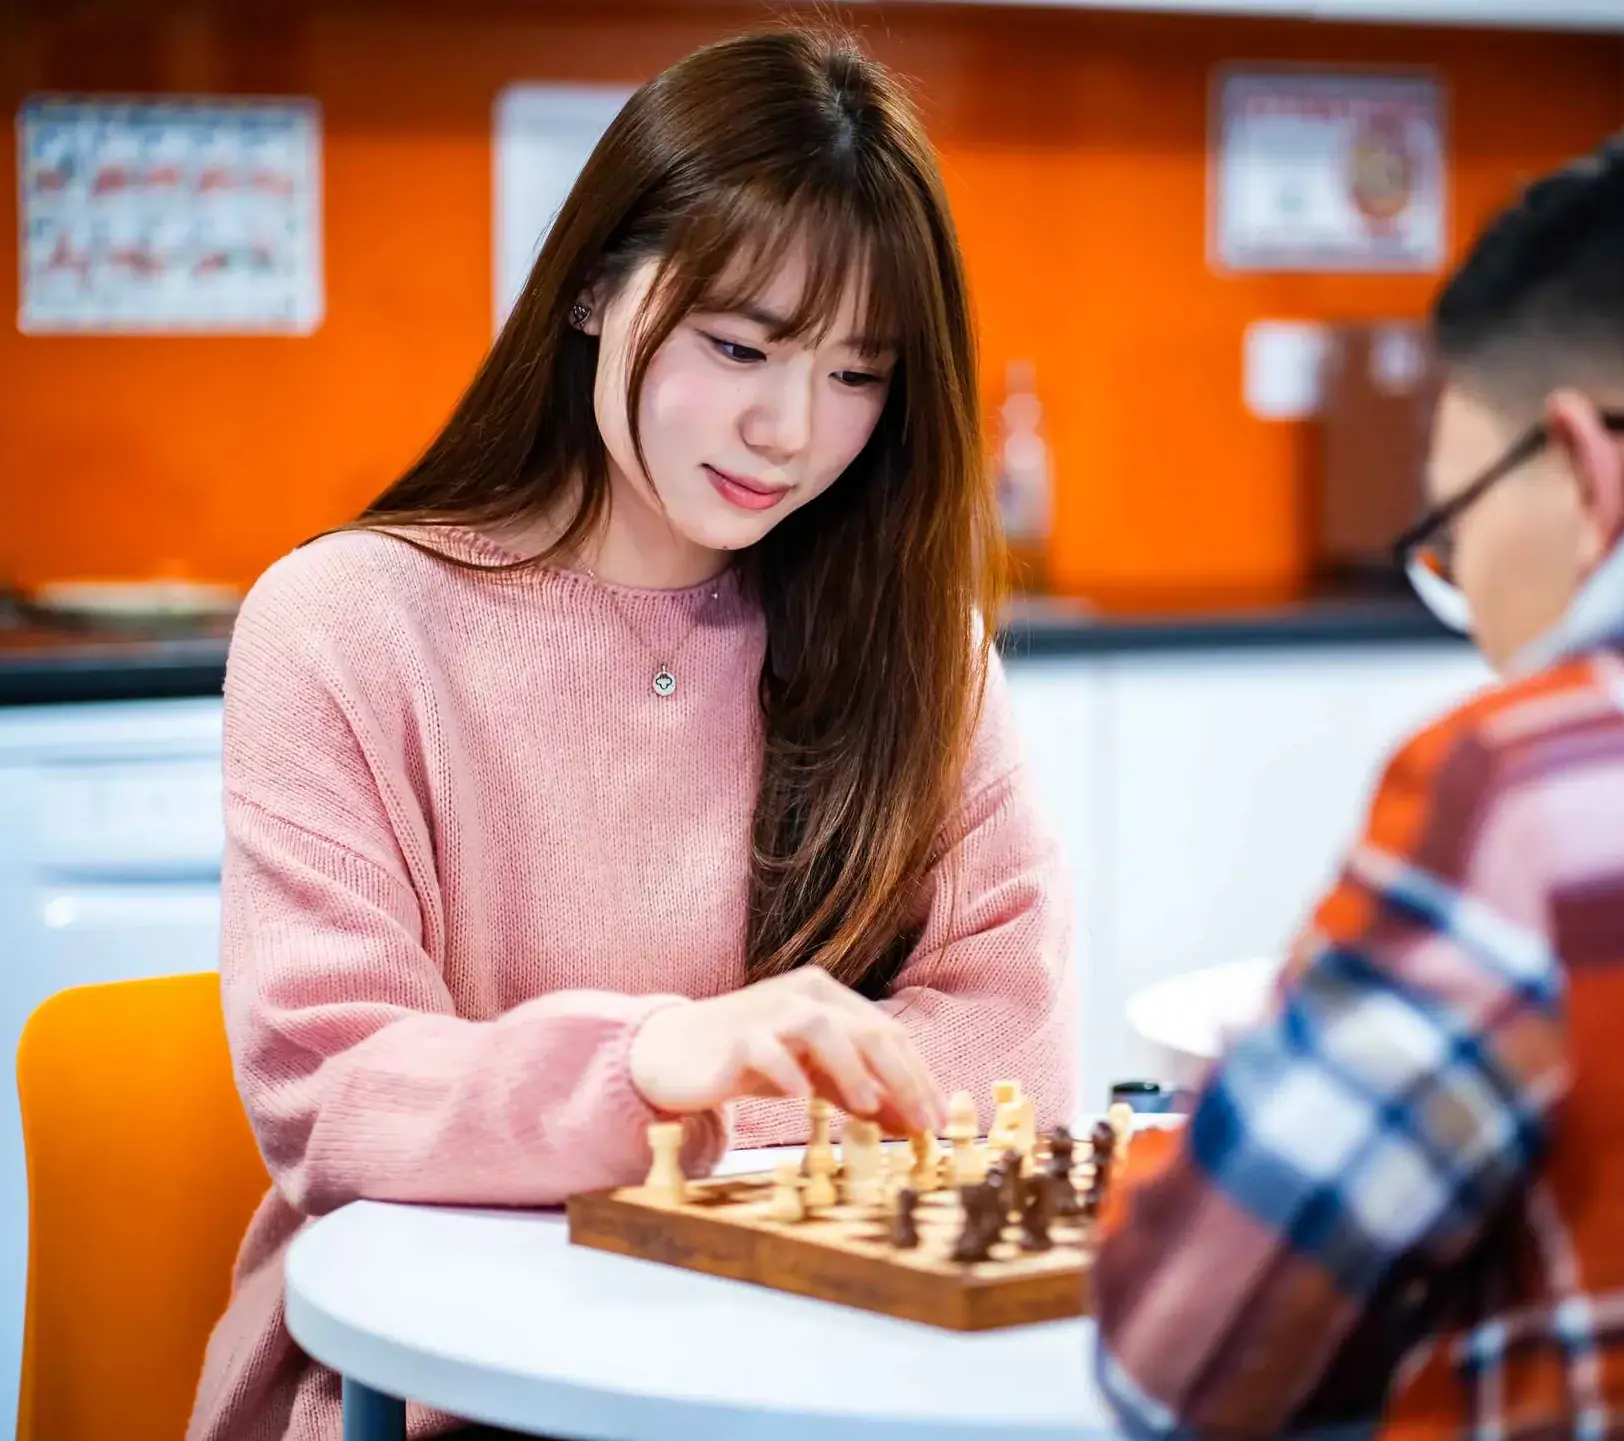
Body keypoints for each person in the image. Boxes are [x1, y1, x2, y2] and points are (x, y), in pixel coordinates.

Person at [189, 28, 1075, 1441]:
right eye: (738, 345)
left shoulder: (914, 643)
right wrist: (654, 1067)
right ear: (597, 286)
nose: (790, 429)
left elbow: (1007, 1045)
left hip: (806, 1369)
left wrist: (699, 1110)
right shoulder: (346, 623)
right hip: (444, 1391)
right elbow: (339, 1096)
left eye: (859, 375)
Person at [1092, 99, 1624, 1438]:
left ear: (1588, 471)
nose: (1471, 615)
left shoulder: (1544, 792)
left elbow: (1184, 1361)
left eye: (1455, 535)